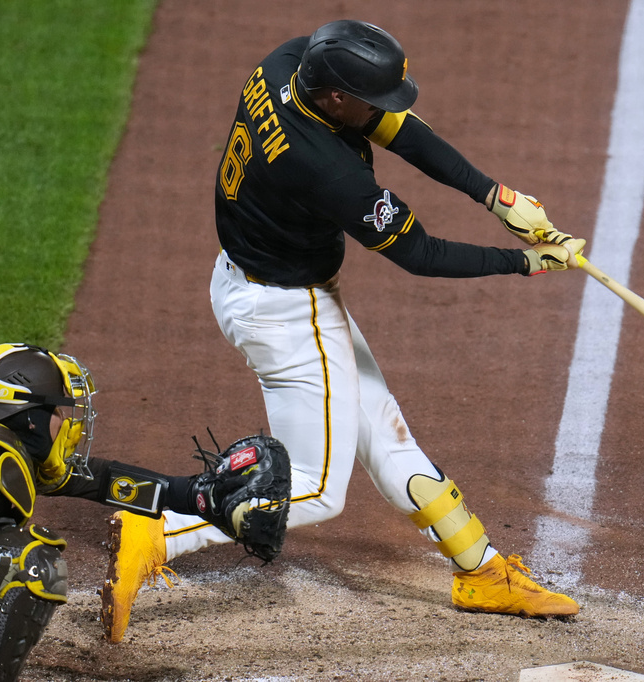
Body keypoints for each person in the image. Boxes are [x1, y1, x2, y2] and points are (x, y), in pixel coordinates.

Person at [101, 19, 585, 643]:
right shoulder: (326, 169)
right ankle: (161, 532)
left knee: (384, 432)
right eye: (371, 99)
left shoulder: (290, 62)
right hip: (288, 312)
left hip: (252, 282)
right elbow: (420, 254)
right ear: (335, 98)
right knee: (316, 489)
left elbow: (398, 131)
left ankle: (482, 572)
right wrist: (526, 260)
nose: (383, 109)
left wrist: (495, 196)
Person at [0, 343, 288, 682]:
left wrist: (197, 496)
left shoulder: (5, 452)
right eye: (57, 409)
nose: (66, 420)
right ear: (30, 417)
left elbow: (101, 479)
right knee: (31, 562)